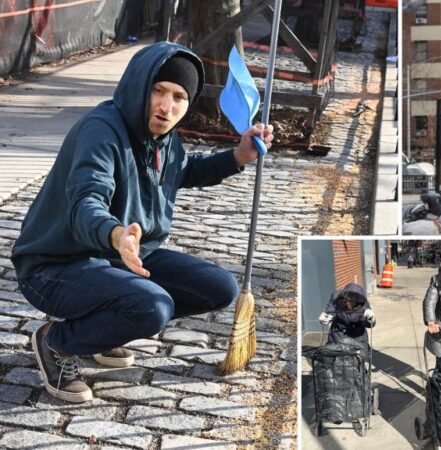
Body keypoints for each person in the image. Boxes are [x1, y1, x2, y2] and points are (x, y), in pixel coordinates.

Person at [11, 42, 274, 403]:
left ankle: (101, 333)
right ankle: (57, 343)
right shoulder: (101, 131)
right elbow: (86, 202)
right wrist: (117, 234)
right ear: (140, 84)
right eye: (159, 91)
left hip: (124, 256)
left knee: (218, 288)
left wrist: (237, 156)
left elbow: (183, 170)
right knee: (152, 307)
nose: (167, 107)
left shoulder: (165, 138)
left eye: (179, 97)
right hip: (56, 265)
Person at [318, 283, 375, 353]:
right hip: (337, 334)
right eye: (347, 300)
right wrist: (324, 317)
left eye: (352, 301)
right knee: (338, 358)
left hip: (357, 336)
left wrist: (370, 319)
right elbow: (329, 312)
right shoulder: (336, 298)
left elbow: (368, 323)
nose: (348, 303)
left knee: (357, 359)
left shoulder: (363, 304)